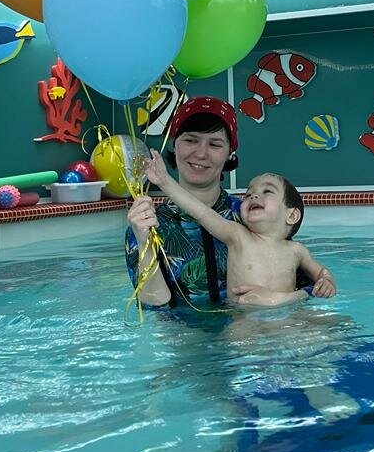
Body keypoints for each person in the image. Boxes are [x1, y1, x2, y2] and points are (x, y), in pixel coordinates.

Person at [125, 95, 335, 308]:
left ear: (229, 153)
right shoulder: (147, 222)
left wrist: (278, 299)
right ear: (175, 144)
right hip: (186, 328)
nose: (201, 153)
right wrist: (144, 243)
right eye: (190, 140)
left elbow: (306, 286)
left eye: (215, 144)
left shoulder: (250, 214)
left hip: (258, 321)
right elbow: (155, 306)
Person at [144, 151, 335, 307]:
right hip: (244, 321)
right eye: (248, 194)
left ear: (291, 215)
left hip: (287, 317)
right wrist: (164, 181)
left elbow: (321, 273)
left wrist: (327, 282)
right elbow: (201, 212)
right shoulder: (238, 235)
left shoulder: (297, 250)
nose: (253, 196)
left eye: (267, 191)